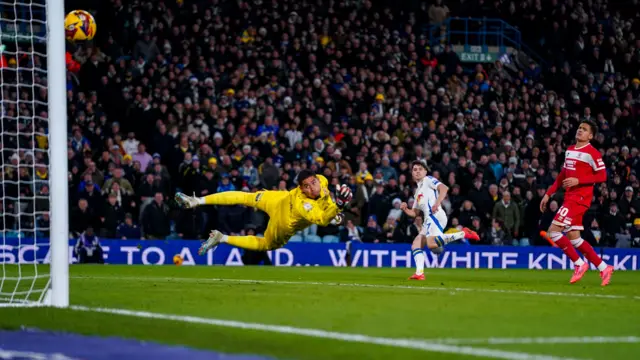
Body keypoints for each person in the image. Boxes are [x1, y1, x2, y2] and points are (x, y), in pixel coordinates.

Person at [174, 169, 352, 254]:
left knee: (246, 197)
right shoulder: (303, 205)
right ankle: (221, 236)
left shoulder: (322, 180)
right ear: (302, 190)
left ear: (317, 180)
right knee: (267, 245)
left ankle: (197, 201)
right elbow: (321, 219)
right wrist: (338, 207)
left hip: (279, 198)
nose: (313, 187)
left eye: (314, 182)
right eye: (307, 186)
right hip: (285, 220)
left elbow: (325, 202)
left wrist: (335, 210)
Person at [540, 120, 614, 286]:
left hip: (579, 198)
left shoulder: (592, 153)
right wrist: (548, 194)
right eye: (579, 127)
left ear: (591, 136)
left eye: (584, 129)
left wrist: (578, 180)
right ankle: (604, 267)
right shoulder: (570, 150)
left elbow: (602, 176)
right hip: (569, 197)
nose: (580, 130)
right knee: (574, 238)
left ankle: (579, 264)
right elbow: (563, 175)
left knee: (554, 232)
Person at [400, 160, 480, 280]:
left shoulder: (428, 180)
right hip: (428, 218)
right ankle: (419, 273)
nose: (417, 171)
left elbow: (444, 188)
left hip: (435, 215)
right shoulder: (417, 192)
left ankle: (464, 234)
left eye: (420, 169)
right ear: (412, 173)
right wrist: (405, 209)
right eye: (415, 169)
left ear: (425, 171)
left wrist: (437, 203)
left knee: (432, 244)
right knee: (416, 244)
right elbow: (415, 213)